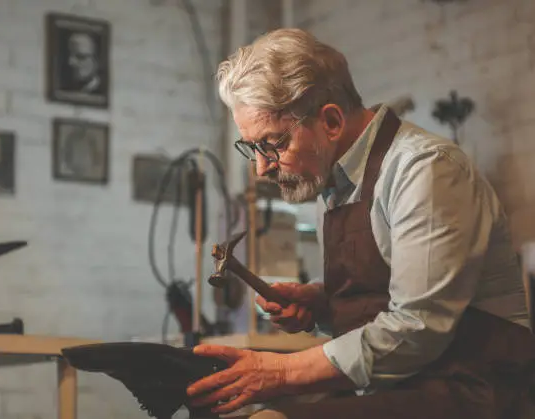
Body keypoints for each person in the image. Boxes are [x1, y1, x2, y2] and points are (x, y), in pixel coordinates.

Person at [185, 28, 535, 419]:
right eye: (253, 148)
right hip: (402, 385)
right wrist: (323, 306)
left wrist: (279, 371)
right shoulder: (333, 185)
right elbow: (385, 299)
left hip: (471, 389)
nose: (262, 167)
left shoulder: (425, 170)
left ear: (331, 121)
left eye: (273, 144)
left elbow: (417, 328)